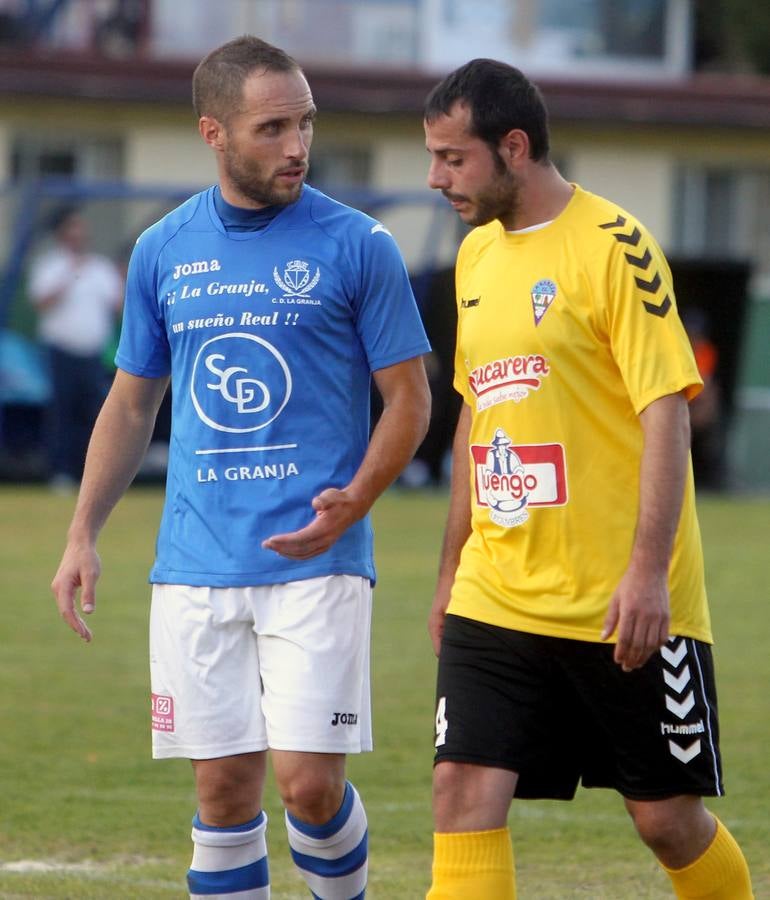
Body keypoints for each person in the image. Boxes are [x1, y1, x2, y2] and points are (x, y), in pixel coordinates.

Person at [51, 35, 431, 900]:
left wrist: (357, 501)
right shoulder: (162, 249)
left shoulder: (358, 244)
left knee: (308, 785)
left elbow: (410, 402)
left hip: (317, 560)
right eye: (272, 128)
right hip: (193, 566)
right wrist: (83, 533)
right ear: (213, 133)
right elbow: (131, 403)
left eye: (305, 124)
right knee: (222, 795)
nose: (297, 146)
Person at [422, 59, 753, 899]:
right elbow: (474, 420)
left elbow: (667, 410)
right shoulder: (474, 259)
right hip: (498, 590)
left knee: (665, 820)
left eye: (454, 158)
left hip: (622, 600)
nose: (437, 178)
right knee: (461, 791)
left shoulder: (618, 247)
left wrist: (648, 572)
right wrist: (451, 569)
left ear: (516, 147)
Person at [28, 205, 124, 490]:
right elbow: (41, 303)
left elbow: (117, 307)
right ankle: (60, 472)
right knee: (62, 413)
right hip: (61, 351)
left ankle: (92, 474)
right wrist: (69, 276)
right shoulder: (50, 266)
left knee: (94, 413)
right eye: (72, 228)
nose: (78, 234)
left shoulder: (99, 268)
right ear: (61, 234)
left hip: (93, 354)